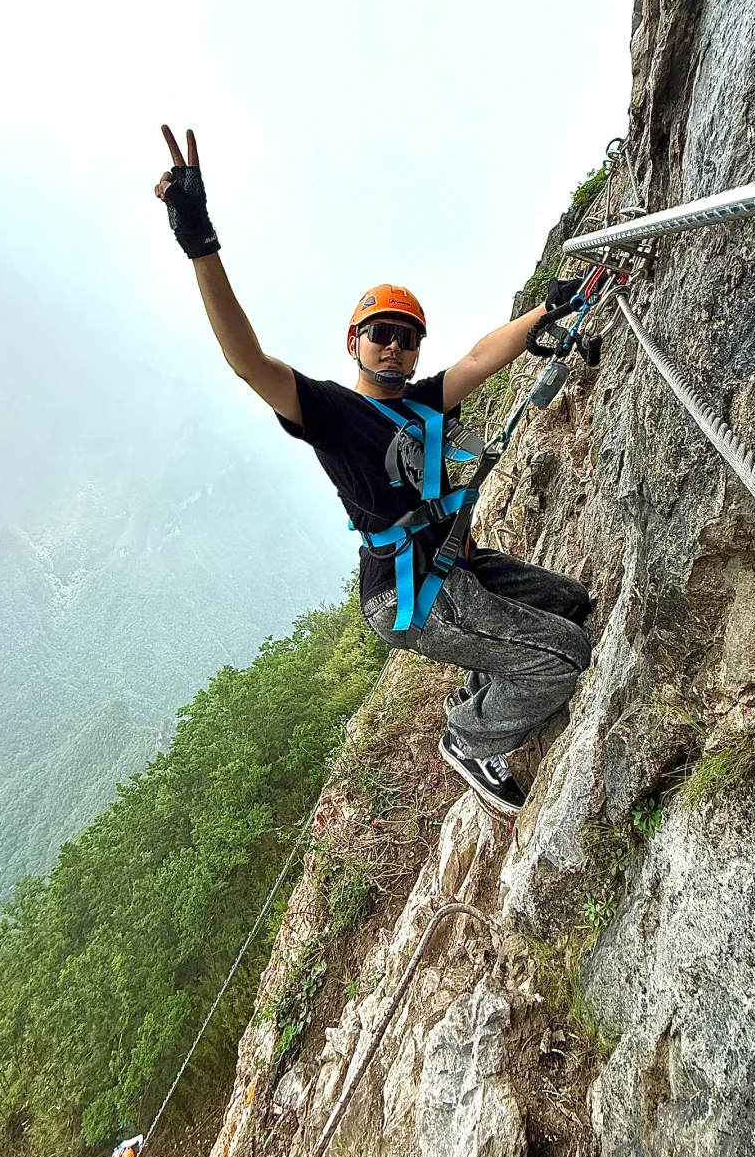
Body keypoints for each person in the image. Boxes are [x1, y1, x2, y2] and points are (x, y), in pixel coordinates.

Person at [155, 127, 592, 817]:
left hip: (455, 567)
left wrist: (549, 308)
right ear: (353, 342)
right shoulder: (331, 411)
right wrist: (199, 243)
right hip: (408, 593)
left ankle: (484, 672)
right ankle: (470, 738)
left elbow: (479, 359)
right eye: (380, 334)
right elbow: (247, 361)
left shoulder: (421, 404)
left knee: (570, 602)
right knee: (565, 654)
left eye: (406, 337)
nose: (393, 346)